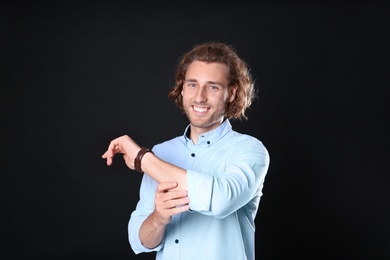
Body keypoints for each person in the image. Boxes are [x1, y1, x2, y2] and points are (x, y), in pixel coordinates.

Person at [102, 42, 270, 260]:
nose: (199, 97)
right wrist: (158, 219)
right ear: (182, 88)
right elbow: (139, 240)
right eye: (192, 84)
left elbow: (220, 200)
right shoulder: (161, 153)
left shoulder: (250, 150)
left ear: (232, 93)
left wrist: (143, 159)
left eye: (212, 87)